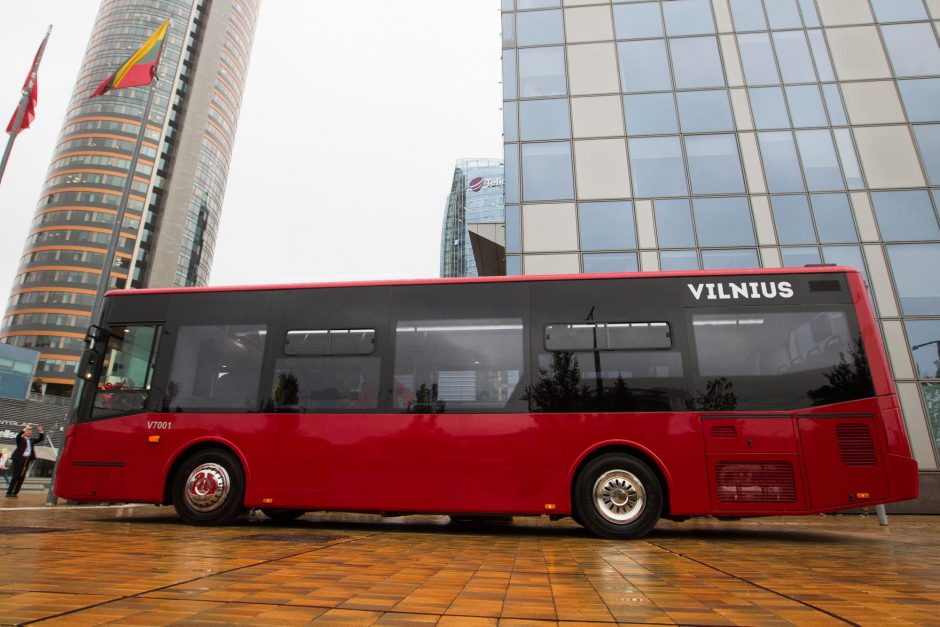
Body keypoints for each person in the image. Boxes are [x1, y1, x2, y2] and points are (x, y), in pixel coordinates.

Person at [6, 423, 44, 497]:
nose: (29, 432)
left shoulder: (32, 440)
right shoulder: (20, 439)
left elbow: (40, 439)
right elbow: (18, 436)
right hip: (19, 459)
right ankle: (9, 492)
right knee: (15, 476)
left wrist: (40, 431)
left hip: (27, 460)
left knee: (22, 477)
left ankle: (15, 492)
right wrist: (25, 428)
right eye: (27, 431)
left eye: (30, 431)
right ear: (24, 432)